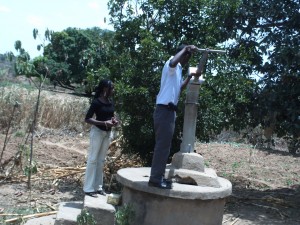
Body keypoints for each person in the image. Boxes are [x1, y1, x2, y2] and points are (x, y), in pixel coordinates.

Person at [149, 44, 197, 189]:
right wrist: (186, 48)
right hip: (164, 110)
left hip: (169, 112)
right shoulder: (172, 64)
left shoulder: (179, 70)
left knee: (165, 147)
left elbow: (179, 89)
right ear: (184, 54)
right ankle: (155, 179)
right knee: (162, 147)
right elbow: (172, 62)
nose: (188, 60)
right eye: (188, 57)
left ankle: (159, 177)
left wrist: (189, 77)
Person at [83, 79, 119, 197]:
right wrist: (103, 123)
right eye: (111, 88)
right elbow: (88, 118)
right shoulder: (97, 102)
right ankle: (88, 188)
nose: (113, 90)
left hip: (107, 134)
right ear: (105, 89)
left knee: (101, 161)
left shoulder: (110, 102)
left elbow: (111, 115)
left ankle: (98, 187)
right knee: (93, 159)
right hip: (98, 132)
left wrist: (114, 121)